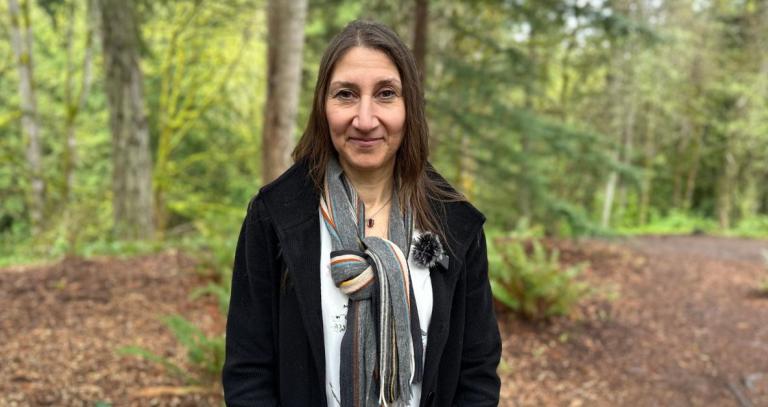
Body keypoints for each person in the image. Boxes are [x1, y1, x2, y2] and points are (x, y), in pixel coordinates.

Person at [223, 20, 501, 407]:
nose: (366, 119)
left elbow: (477, 373)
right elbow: (248, 372)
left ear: (410, 107)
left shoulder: (454, 225)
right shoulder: (275, 219)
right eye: (346, 95)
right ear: (323, 105)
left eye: (386, 94)